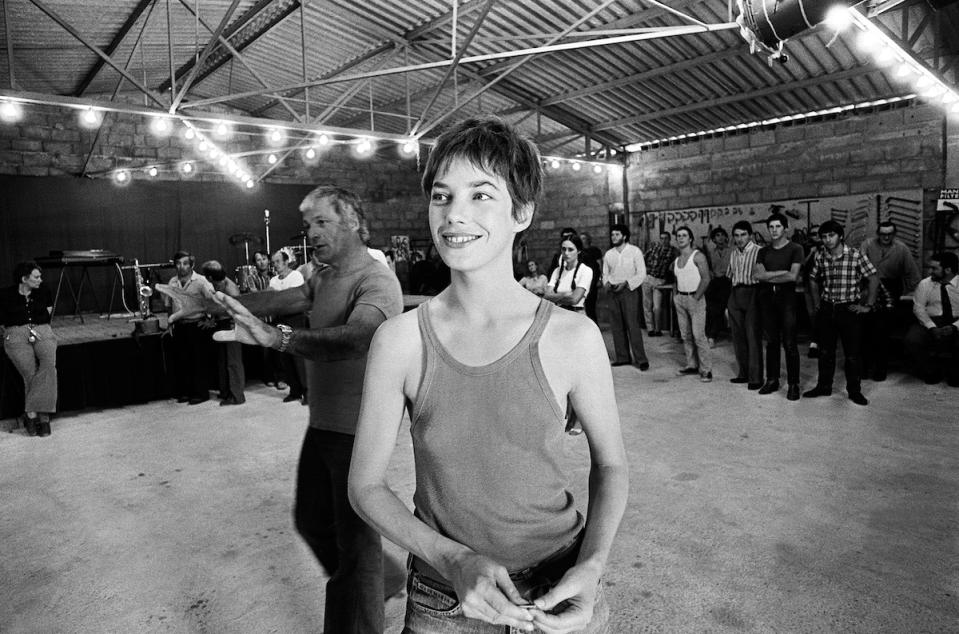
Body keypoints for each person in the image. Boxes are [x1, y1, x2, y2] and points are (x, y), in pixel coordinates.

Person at [348, 116, 627, 634]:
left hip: (558, 586)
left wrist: (591, 568)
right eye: (441, 195)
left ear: (521, 212)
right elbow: (365, 486)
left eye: (481, 195)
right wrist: (452, 560)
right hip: (443, 599)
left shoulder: (573, 338)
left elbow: (610, 467)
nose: (454, 215)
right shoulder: (400, 341)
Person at [159, 185, 405, 634]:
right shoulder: (322, 274)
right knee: (312, 520)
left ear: (352, 222)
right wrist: (208, 304)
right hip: (324, 423)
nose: (310, 233)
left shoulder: (377, 280)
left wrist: (280, 339)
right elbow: (278, 301)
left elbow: (358, 336)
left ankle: (365, 607)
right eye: (308, 224)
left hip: (360, 430)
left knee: (356, 547)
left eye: (321, 222)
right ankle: (385, 579)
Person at [803, 220, 880, 406]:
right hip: (828, 308)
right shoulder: (821, 256)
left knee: (852, 354)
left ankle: (854, 391)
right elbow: (812, 279)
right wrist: (816, 303)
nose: (827, 240)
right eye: (824, 237)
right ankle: (824, 386)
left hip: (849, 309)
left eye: (831, 236)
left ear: (840, 236)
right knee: (825, 351)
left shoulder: (855, 255)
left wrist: (868, 305)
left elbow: (873, 278)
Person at [859, 221, 922, 381]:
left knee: (882, 331)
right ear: (877, 234)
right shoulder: (867, 244)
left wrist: (911, 294)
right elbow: (858, 266)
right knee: (864, 330)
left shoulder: (901, 249)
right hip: (868, 288)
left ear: (894, 234)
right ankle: (864, 368)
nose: (885, 237)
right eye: (882, 234)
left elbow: (913, 275)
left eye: (889, 234)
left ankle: (881, 369)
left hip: (890, 289)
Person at [0, 261, 57, 436]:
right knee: (29, 373)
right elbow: (1, 323)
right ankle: (40, 418)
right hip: (15, 332)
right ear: (24, 279)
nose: (40, 280)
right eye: (36, 277)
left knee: (49, 367)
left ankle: (32, 415)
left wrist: (37, 329)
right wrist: (18, 333)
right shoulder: (5, 295)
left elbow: (48, 314)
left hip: (41, 329)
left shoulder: (44, 291)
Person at [753, 213, 804, 401]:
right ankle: (772, 380)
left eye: (778, 227)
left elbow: (793, 276)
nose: (774, 230)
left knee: (789, 343)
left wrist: (769, 275)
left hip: (787, 299)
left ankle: (793, 384)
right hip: (767, 299)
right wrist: (781, 273)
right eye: (771, 227)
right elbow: (758, 275)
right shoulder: (763, 251)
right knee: (771, 342)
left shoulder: (796, 249)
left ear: (786, 228)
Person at [903, 251, 959, 386]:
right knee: (912, 339)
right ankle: (932, 371)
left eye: (934, 268)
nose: (930, 271)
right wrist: (931, 327)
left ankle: (955, 374)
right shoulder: (925, 284)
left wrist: (954, 327)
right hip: (932, 320)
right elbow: (919, 308)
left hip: (956, 321)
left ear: (948, 270)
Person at [166, 251, 215, 405]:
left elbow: (213, 302)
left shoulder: (201, 281)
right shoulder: (172, 282)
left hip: (196, 325)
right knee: (183, 361)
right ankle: (186, 393)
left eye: (185, 263)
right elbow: (169, 304)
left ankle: (201, 394)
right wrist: (170, 323)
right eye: (179, 263)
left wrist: (210, 321)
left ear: (192, 265)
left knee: (198, 362)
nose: (182, 267)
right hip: (180, 326)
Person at [602, 223, 649, 370]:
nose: (614, 237)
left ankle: (641, 360)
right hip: (613, 291)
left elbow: (641, 273)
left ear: (624, 236)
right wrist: (607, 283)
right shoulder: (609, 254)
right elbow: (605, 273)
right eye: (612, 235)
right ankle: (622, 357)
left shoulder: (635, 251)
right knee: (616, 325)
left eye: (617, 234)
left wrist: (627, 283)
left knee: (632, 325)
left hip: (629, 290)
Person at [199, 261, 245, 406]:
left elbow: (237, 309)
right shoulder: (217, 284)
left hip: (233, 325)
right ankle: (226, 392)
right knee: (223, 361)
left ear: (210, 277)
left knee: (233, 362)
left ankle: (237, 396)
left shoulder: (230, 288)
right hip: (223, 323)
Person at [672, 226, 712, 382]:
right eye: (679, 236)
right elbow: (675, 280)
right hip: (680, 299)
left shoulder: (698, 256)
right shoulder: (677, 260)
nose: (681, 238)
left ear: (690, 239)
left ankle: (706, 370)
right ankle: (692, 365)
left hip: (695, 298)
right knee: (685, 335)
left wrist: (696, 297)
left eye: (684, 235)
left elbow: (706, 279)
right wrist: (676, 296)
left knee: (698, 336)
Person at [727, 221, 764, 390]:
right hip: (736, 293)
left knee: (752, 335)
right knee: (737, 336)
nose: (740, 239)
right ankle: (743, 373)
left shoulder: (759, 251)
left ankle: (756, 378)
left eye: (743, 235)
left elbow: (763, 277)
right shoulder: (734, 253)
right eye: (736, 235)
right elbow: (730, 275)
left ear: (750, 235)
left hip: (753, 293)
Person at [269, 249, 307, 404]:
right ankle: (295, 391)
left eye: (278, 262)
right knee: (285, 357)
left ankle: (308, 392)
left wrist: (279, 300)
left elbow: (293, 299)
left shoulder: (296, 276)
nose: (275, 265)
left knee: (298, 357)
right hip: (280, 320)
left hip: (295, 319)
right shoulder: (273, 280)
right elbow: (271, 300)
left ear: (286, 262)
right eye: (274, 263)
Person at [544, 234, 593, 312]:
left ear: (579, 251)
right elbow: (546, 296)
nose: (566, 253)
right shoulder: (557, 271)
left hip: (576, 314)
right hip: (558, 313)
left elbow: (574, 299)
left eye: (570, 249)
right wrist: (566, 294)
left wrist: (554, 296)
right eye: (563, 249)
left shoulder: (585, 270)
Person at [643, 230, 678, 336]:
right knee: (647, 305)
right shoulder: (654, 248)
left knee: (656, 307)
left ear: (669, 239)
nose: (663, 240)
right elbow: (642, 258)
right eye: (661, 238)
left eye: (666, 238)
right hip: (648, 278)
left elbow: (676, 265)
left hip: (660, 280)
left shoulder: (673, 251)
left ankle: (658, 329)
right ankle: (650, 329)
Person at [704, 226, 732, 346]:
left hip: (727, 282)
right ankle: (707, 334)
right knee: (709, 309)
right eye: (717, 236)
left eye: (722, 235)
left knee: (719, 309)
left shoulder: (732, 251)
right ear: (714, 239)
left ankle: (712, 336)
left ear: (726, 237)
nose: (720, 238)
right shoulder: (711, 252)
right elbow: (707, 267)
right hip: (714, 282)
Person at [580, 232, 604, 322]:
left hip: (593, 281)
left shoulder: (595, 250)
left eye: (584, 238)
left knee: (591, 306)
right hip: (582, 281)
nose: (582, 240)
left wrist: (600, 279)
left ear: (588, 240)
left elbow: (600, 264)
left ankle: (594, 325)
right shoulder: (580, 252)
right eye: (580, 238)